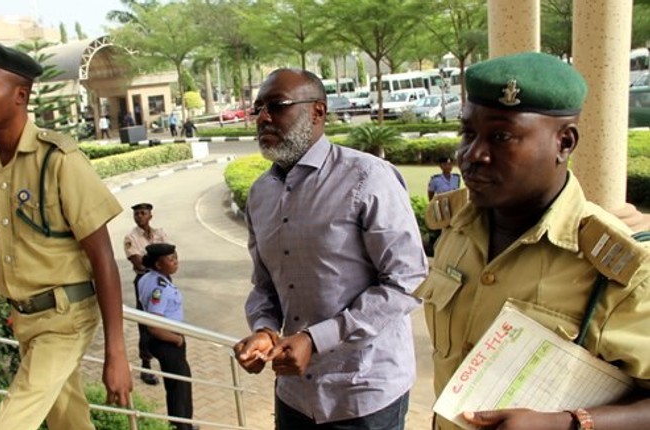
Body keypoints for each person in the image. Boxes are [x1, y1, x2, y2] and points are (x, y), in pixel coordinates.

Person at [416, 52, 650, 430]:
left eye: (502, 136)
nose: (472, 155)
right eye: (468, 134)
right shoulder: (455, 230)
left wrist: (570, 423)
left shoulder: (621, 268)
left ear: (564, 143)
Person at [233, 68, 428, 429]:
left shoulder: (369, 177)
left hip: (364, 394)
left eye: (277, 105)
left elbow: (408, 281)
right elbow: (264, 286)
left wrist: (315, 338)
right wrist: (265, 330)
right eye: (257, 108)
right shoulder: (261, 194)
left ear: (318, 112)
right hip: (294, 396)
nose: (262, 117)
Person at [0, 41, 132, 430]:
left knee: (10, 424)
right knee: (69, 422)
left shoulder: (59, 161)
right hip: (25, 321)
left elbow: (103, 258)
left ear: (20, 95)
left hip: (67, 318)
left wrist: (116, 353)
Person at [137, 243, 193, 430]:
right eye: (171, 259)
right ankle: (181, 426)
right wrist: (177, 339)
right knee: (179, 388)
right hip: (167, 341)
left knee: (181, 383)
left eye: (176, 257)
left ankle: (184, 424)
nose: (176, 262)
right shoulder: (158, 288)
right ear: (158, 264)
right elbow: (154, 326)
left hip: (166, 340)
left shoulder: (148, 277)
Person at [124, 202, 169, 385]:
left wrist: (158, 263)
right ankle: (146, 366)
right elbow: (137, 262)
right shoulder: (131, 237)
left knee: (165, 319)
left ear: (150, 215)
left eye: (143, 213)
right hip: (144, 282)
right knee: (145, 324)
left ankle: (165, 358)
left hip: (163, 282)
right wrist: (160, 263)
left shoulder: (160, 233)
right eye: (136, 214)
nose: (139, 216)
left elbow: (170, 257)